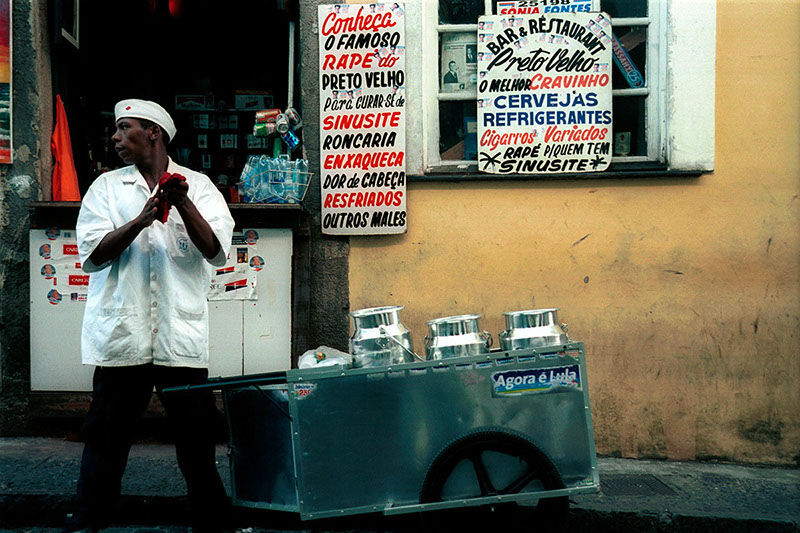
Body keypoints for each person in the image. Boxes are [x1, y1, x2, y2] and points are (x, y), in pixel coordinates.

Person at [66, 99, 235, 533]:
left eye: (125, 128)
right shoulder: (106, 188)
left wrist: (183, 204)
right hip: (124, 334)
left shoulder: (200, 186)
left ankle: (213, 522)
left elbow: (217, 252)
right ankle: (88, 519)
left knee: (196, 439)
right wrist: (140, 221)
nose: (116, 137)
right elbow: (92, 256)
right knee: (106, 437)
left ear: (153, 132)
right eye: (117, 129)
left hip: (179, 335)